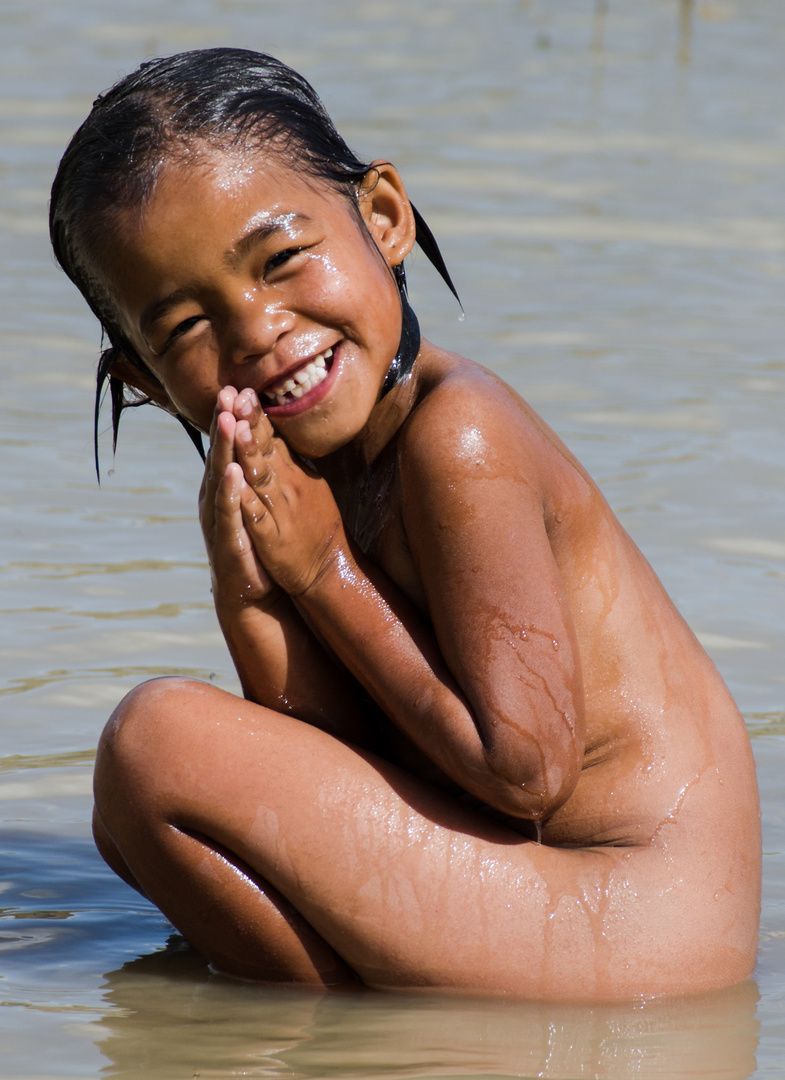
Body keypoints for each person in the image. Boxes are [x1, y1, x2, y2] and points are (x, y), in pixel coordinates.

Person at [49, 47, 760, 1000]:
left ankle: (328, 1031)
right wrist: (250, 580)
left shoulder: (458, 435)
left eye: (281, 260)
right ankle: (358, 1039)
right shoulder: (313, 464)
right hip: (575, 902)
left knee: (157, 744)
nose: (256, 330)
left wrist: (323, 571)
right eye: (186, 327)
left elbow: (524, 771)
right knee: (137, 814)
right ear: (143, 379)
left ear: (383, 217)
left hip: (637, 923)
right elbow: (347, 749)